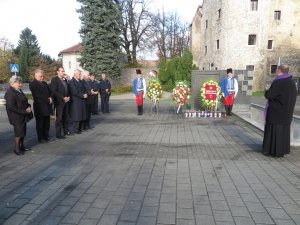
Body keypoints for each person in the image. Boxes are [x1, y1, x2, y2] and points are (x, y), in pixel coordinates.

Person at [263, 64, 297, 157]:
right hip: (287, 112)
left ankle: (273, 151)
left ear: (279, 71)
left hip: (276, 112)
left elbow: (269, 95)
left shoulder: (278, 81)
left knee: (274, 131)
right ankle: (282, 151)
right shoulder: (291, 82)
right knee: (284, 132)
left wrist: (266, 91)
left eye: (276, 70)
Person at [5, 76, 33, 155]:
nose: (21, 84)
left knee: (23, 132)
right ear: (13, 84)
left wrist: (28, 107)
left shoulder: (19, 90)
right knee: (18, 133)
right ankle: (17, 149)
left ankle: (22, 146)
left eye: (21, 83)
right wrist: (24, 111)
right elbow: (11, 107)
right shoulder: (10, 92)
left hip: (22, 115)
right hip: (16, 116)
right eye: (19, 83)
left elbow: (24, 101)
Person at [29, 69, 53, 143]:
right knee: (40, 124)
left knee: (47, 123)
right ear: (36, 76)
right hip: (40, 107)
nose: (42, 78)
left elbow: (50, 92)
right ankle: (41, 138)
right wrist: (48, 100)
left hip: (47, 107)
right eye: (41, 76)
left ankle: (46, 136)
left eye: (43, 76)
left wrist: (51, 97)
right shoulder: (32, 84)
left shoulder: (44, 83)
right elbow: (37, 95)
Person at [50, 66, 71, 139]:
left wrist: (68, 97)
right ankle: (58, 134)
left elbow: (67, 90)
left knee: (66, 117)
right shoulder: (54, 80)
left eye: (64, 71)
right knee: (59, 118)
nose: (63, 72)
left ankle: (66, 131)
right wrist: (63, 97)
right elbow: (54, 91)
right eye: (62, 71)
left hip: (66, 101)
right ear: (58, 72)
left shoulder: (64, 80)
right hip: (59, 102)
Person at [69, 69, 87, 134]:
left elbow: (84, 89)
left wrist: (85, 94)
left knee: (81, 115)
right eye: (79, 74)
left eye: (80, 74)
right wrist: (82, 95)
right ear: (75, 74)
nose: (80, 75)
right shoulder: (71, 82)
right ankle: (75, 129)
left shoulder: (80, 81)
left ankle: (80, 128)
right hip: (76, 101)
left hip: (82, 100)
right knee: (77, 116)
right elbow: (74, 91)